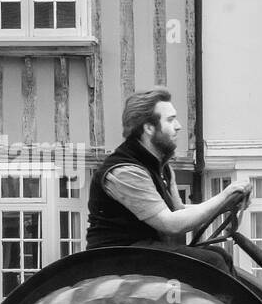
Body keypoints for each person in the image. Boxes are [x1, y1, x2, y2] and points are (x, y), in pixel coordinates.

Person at [85, 86, 251, 272]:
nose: (178, 125)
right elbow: (170, 224)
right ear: (148, 127)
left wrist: (225, 203)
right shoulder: (125, 171)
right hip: (115, 259)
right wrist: (223, 196)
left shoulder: (160, 166)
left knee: (221, 256)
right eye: (170, 120)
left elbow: (177, 211)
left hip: (143, 251)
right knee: (212, 262)